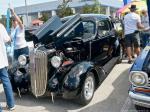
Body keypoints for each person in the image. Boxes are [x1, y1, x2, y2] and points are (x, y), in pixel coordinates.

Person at [0, 23, 15, 111]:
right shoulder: (1, 26)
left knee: (6, 82)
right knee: (6, 82)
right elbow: (7, 39)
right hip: (1, 60)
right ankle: (11, 104)